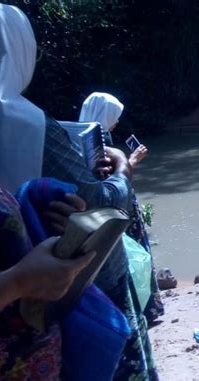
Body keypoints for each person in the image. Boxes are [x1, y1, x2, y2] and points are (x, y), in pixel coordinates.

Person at [0, 3, 158, 379]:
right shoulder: (34, 125)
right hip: (61, 294)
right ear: (17, 51)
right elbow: (95, 203)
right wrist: (122, 172)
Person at [79, 91, 164, 323]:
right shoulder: (97, 142)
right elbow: (110, 181)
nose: (117, 122)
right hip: (118, 208)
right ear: (104, 115)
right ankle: (146, 308)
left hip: (109, 210)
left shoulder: (79, 138)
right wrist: (132, 160)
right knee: (132, 257)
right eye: (114, 116)